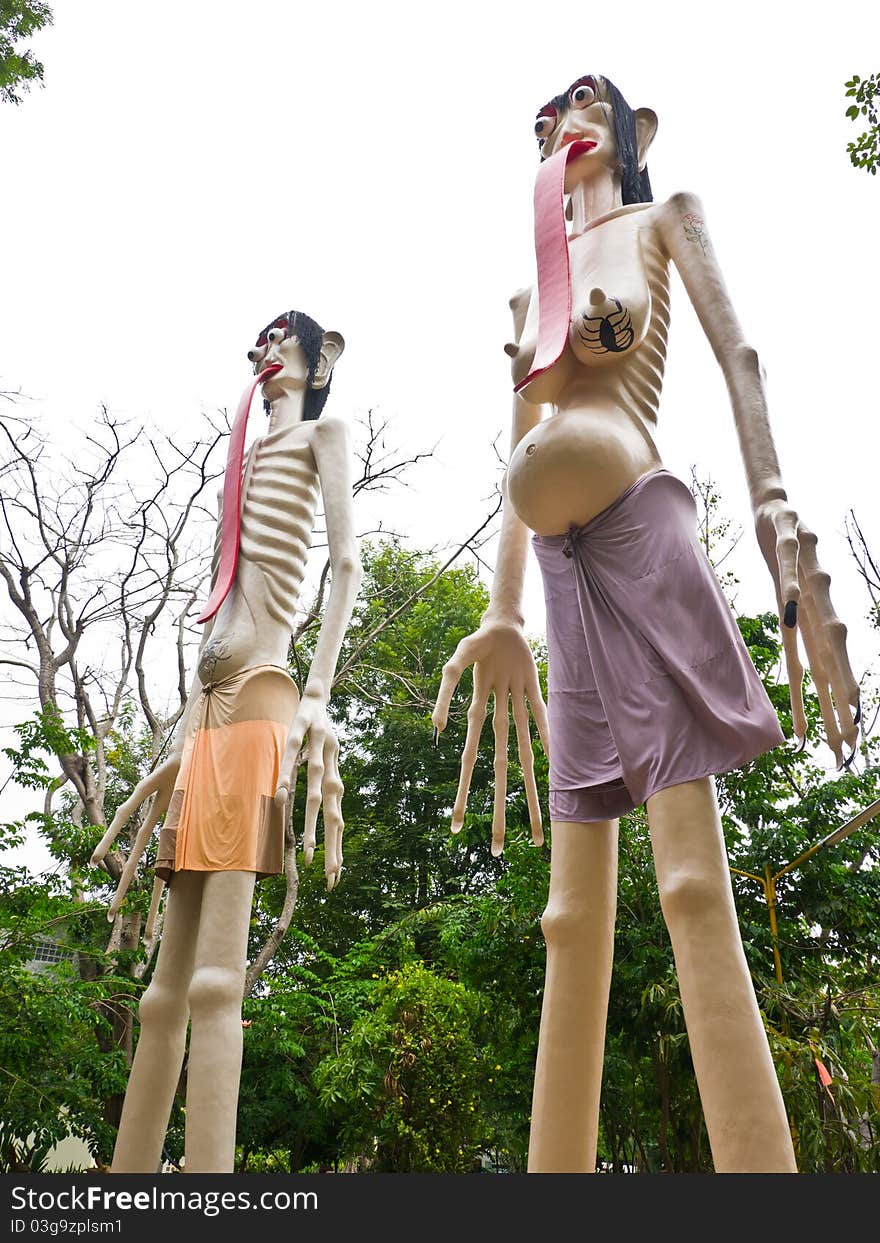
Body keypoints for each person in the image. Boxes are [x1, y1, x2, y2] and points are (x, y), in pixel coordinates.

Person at [432, 74, 859, 1173]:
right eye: (541, 118)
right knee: (569, 924)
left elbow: (739, 358)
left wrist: (773, 513)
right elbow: (515, 449)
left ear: (633, 131)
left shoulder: (665, 221)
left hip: (638, 531)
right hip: (561, 583)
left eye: (580, 100)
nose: (556, 123)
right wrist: (500, 612)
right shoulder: (533, 293)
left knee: (687, 884)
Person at [90, 309, 362, 1173]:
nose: (264, 349)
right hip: (204, 712)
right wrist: (178, 734)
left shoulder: (327, 434)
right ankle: (128, 1188)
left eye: (284, 336)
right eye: (260, 338)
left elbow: (345, 564)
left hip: (263, 697)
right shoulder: (240, 459)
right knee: (162, 988)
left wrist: (316, 695)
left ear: (323, 358)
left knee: (215, 977)